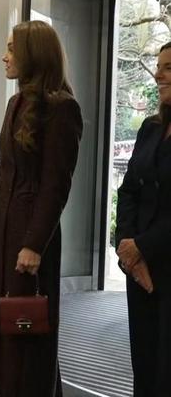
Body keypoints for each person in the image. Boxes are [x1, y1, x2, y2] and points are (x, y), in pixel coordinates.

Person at [0, 20, 83, 397]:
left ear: (33, 55)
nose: (4, 56)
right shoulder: (17, 102)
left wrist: (33, 244)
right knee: (1, 325)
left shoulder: (62, 108)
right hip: (0, 231)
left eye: (12, 48)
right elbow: (5, 169)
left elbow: (56, 186)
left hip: (29, 237)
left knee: (25, 327)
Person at [116, 41, 171, 396]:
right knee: (146, 369)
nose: (158, 75)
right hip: (140, 270)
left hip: (165, 265)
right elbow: (128, 191)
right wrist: (127, 249)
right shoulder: (150, 128)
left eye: (167, 67)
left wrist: (143, 247)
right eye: (158, 66)